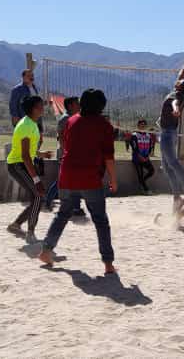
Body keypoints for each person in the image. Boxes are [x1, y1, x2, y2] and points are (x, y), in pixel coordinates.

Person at [39, 89, 118, 274]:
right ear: (101, 105)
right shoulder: (104, 125)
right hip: (90, 179)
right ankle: (108, 264)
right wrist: (113, 179)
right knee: (100, 221)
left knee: (62, 215)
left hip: (66, 177)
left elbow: (66, 146)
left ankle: (46, 251)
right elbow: (109, 157)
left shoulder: (71, 121)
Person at [6, 96, 54, 243]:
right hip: (18, 164)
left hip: (22, 164)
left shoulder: (31, 124)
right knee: (38, 195)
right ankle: (30, 232)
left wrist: (42, 154)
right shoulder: (26, 126)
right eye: (40, 105)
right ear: (33, 108)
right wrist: (36, 179)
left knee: (36, 197)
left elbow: (30, 152)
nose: (42, 108)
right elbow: (25, 156)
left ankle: (16, 225)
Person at [158, 49, 184, 216]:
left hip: (168, 133)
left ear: (181, 86)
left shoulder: (178, 96)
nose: (178, 79)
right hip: (167, 132)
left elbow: (175, 103)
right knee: (167, 167)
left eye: (180, 81)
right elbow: (182, 73)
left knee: (172, 163)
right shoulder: (180, 91)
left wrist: (175, 110)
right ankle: (177, 198)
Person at [45, 97, 85, 216]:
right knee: (64, 181)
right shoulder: (65, 119)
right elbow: (61, 138)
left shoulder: (75, 118)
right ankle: (49, 200)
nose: (79, 105)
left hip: (73, 155)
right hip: (66, 155)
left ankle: (76, 207)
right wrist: (68, 153)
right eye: (77, 104)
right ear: (71, 105)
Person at [127, 119, 157, 194]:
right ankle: (146, 190)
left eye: (144, 125)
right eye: (141, 124)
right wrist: (140, 157)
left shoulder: (148, 135)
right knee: (140, 174)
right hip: (137, 158)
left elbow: (150, 147)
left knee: (152, 171)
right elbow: (134, 148)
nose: (143, 126)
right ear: (138, 126)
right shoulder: (134, 135)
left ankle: (142, 181)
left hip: (146, 158)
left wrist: (147, 156)